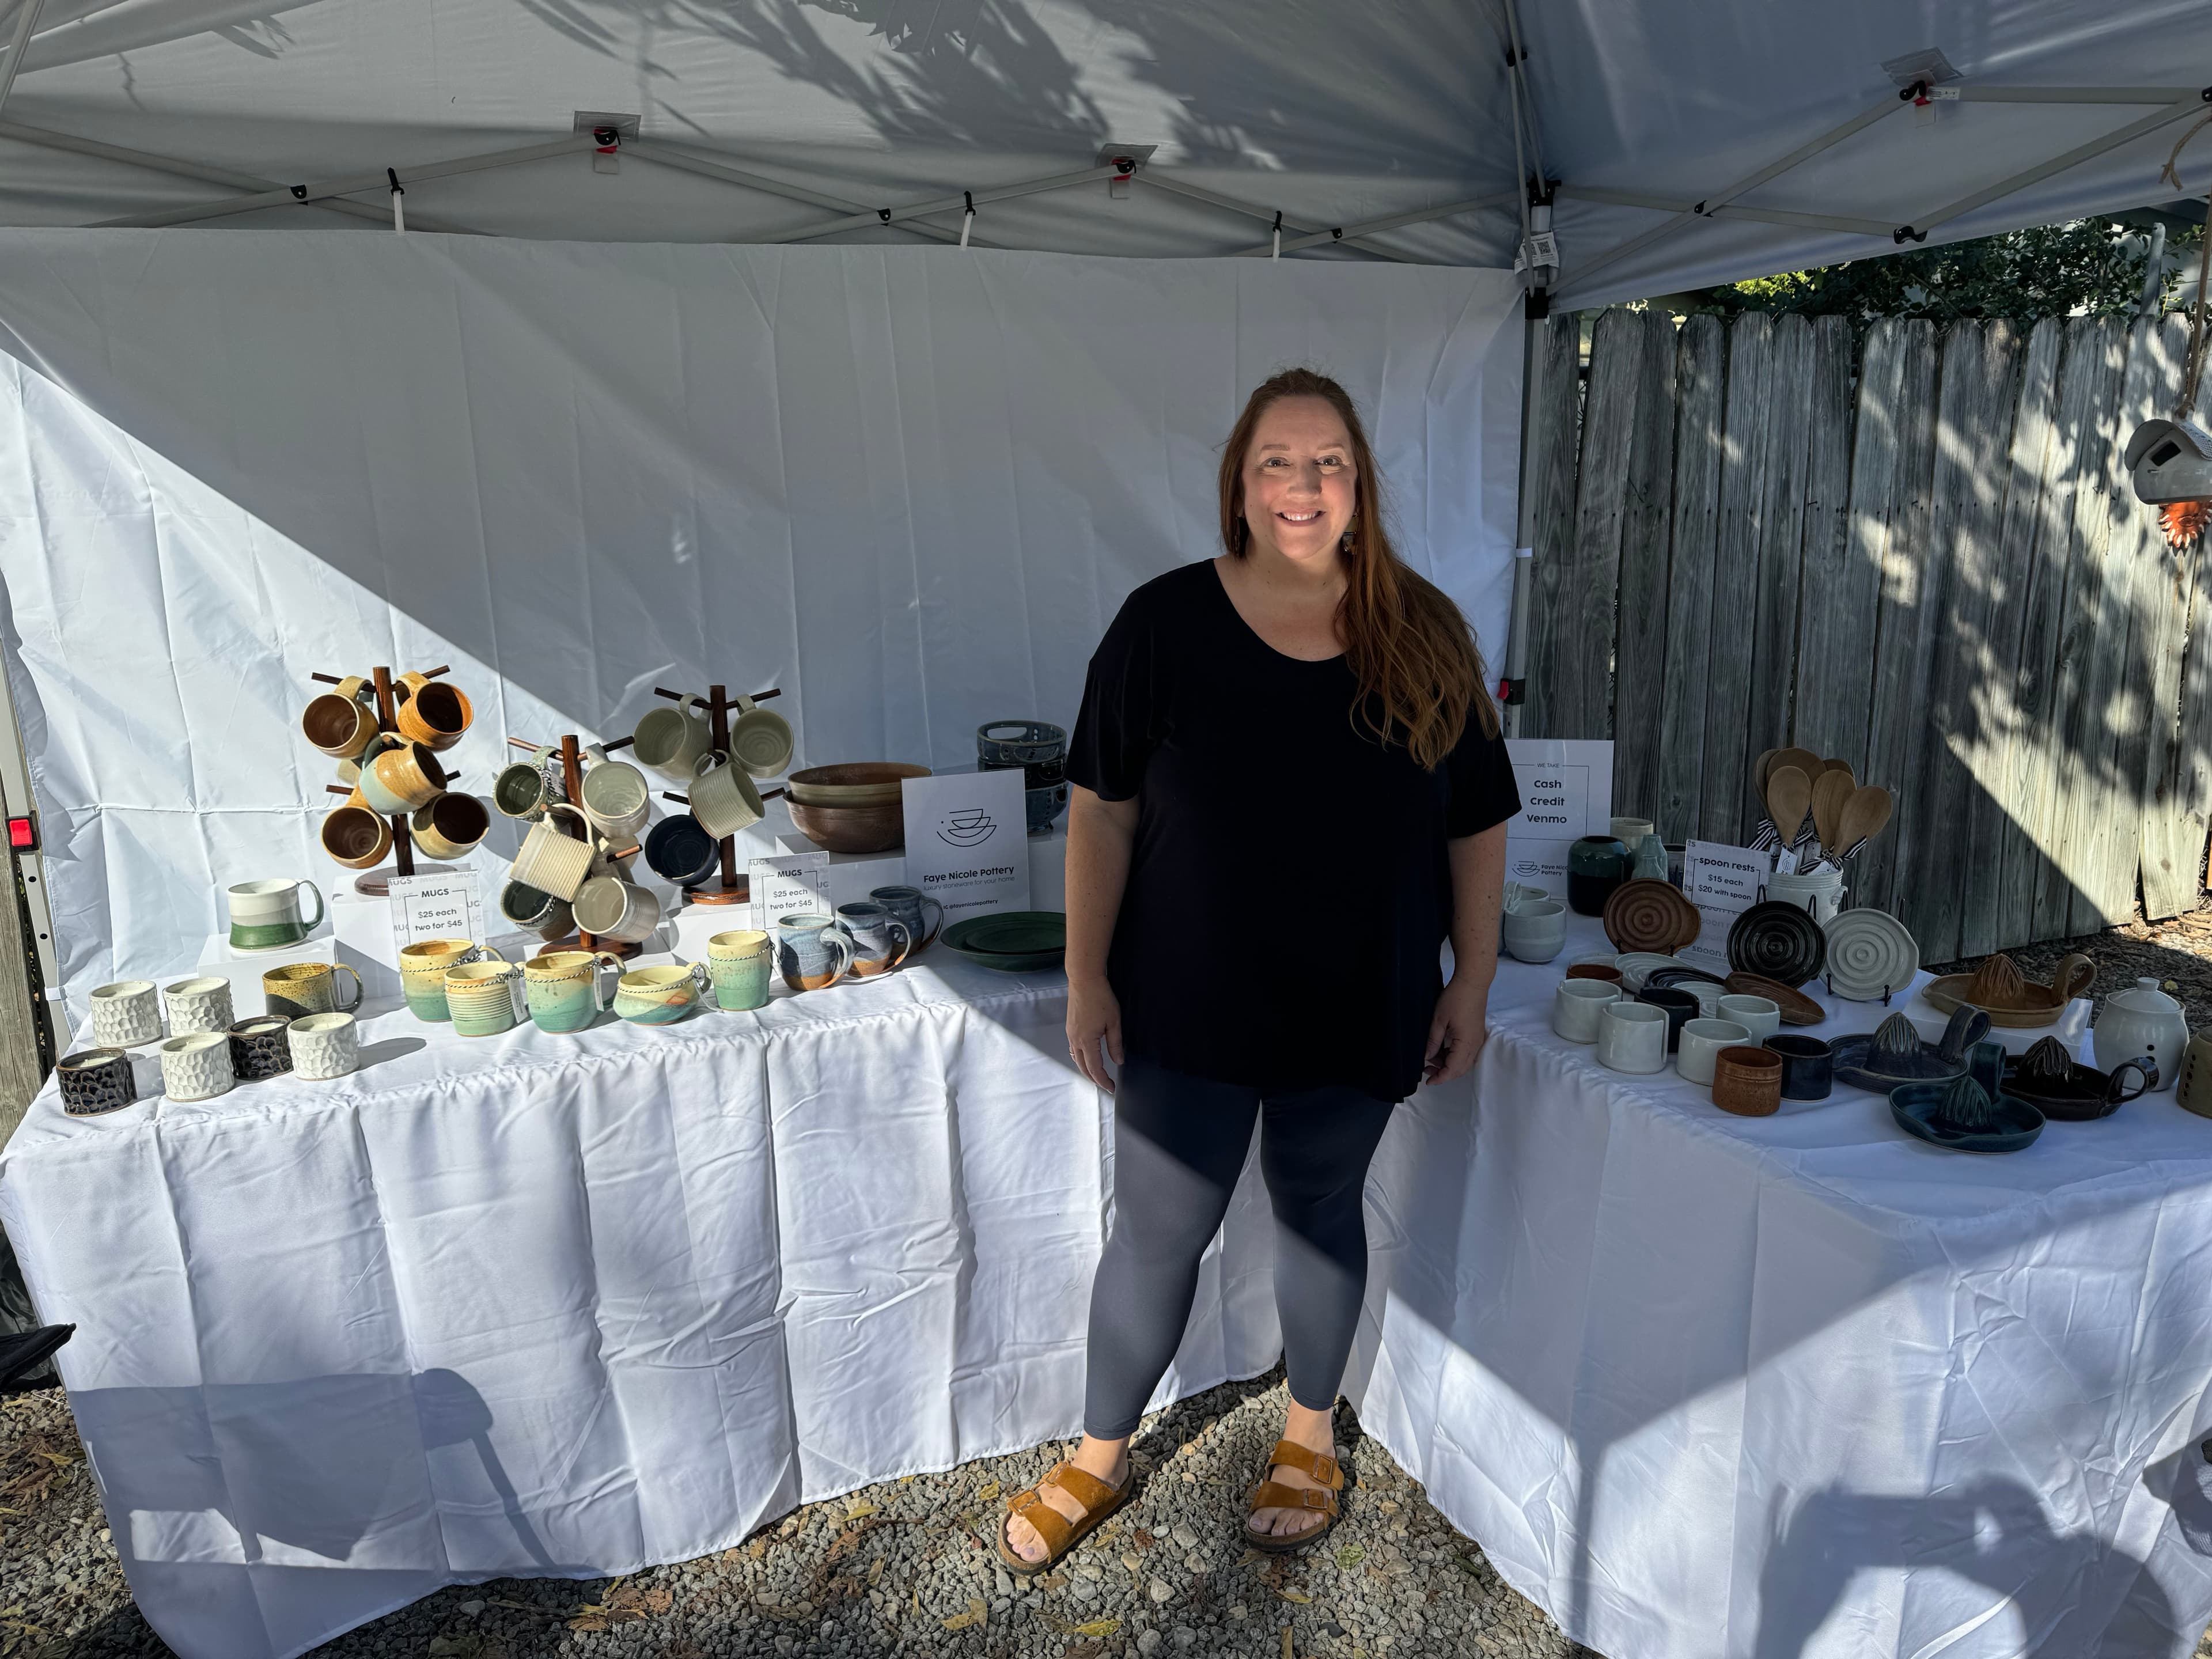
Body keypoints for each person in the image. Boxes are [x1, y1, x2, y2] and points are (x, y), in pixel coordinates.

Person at [996, 368, 1517, 1573]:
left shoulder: (1425, 630)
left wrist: (1472, 980)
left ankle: (1308, 1433)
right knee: (1157, 1233)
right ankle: (1098, 1455)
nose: (1303, 485)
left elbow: (1477, 823)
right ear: (1239, 480)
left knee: (1320, 1212)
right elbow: (1102, 814)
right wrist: (1087, 974)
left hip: (1362, 991)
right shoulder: (1161, 624)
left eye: (1328, 461)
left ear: (1361, 484)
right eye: (1278, 461)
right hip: (1190, 997)